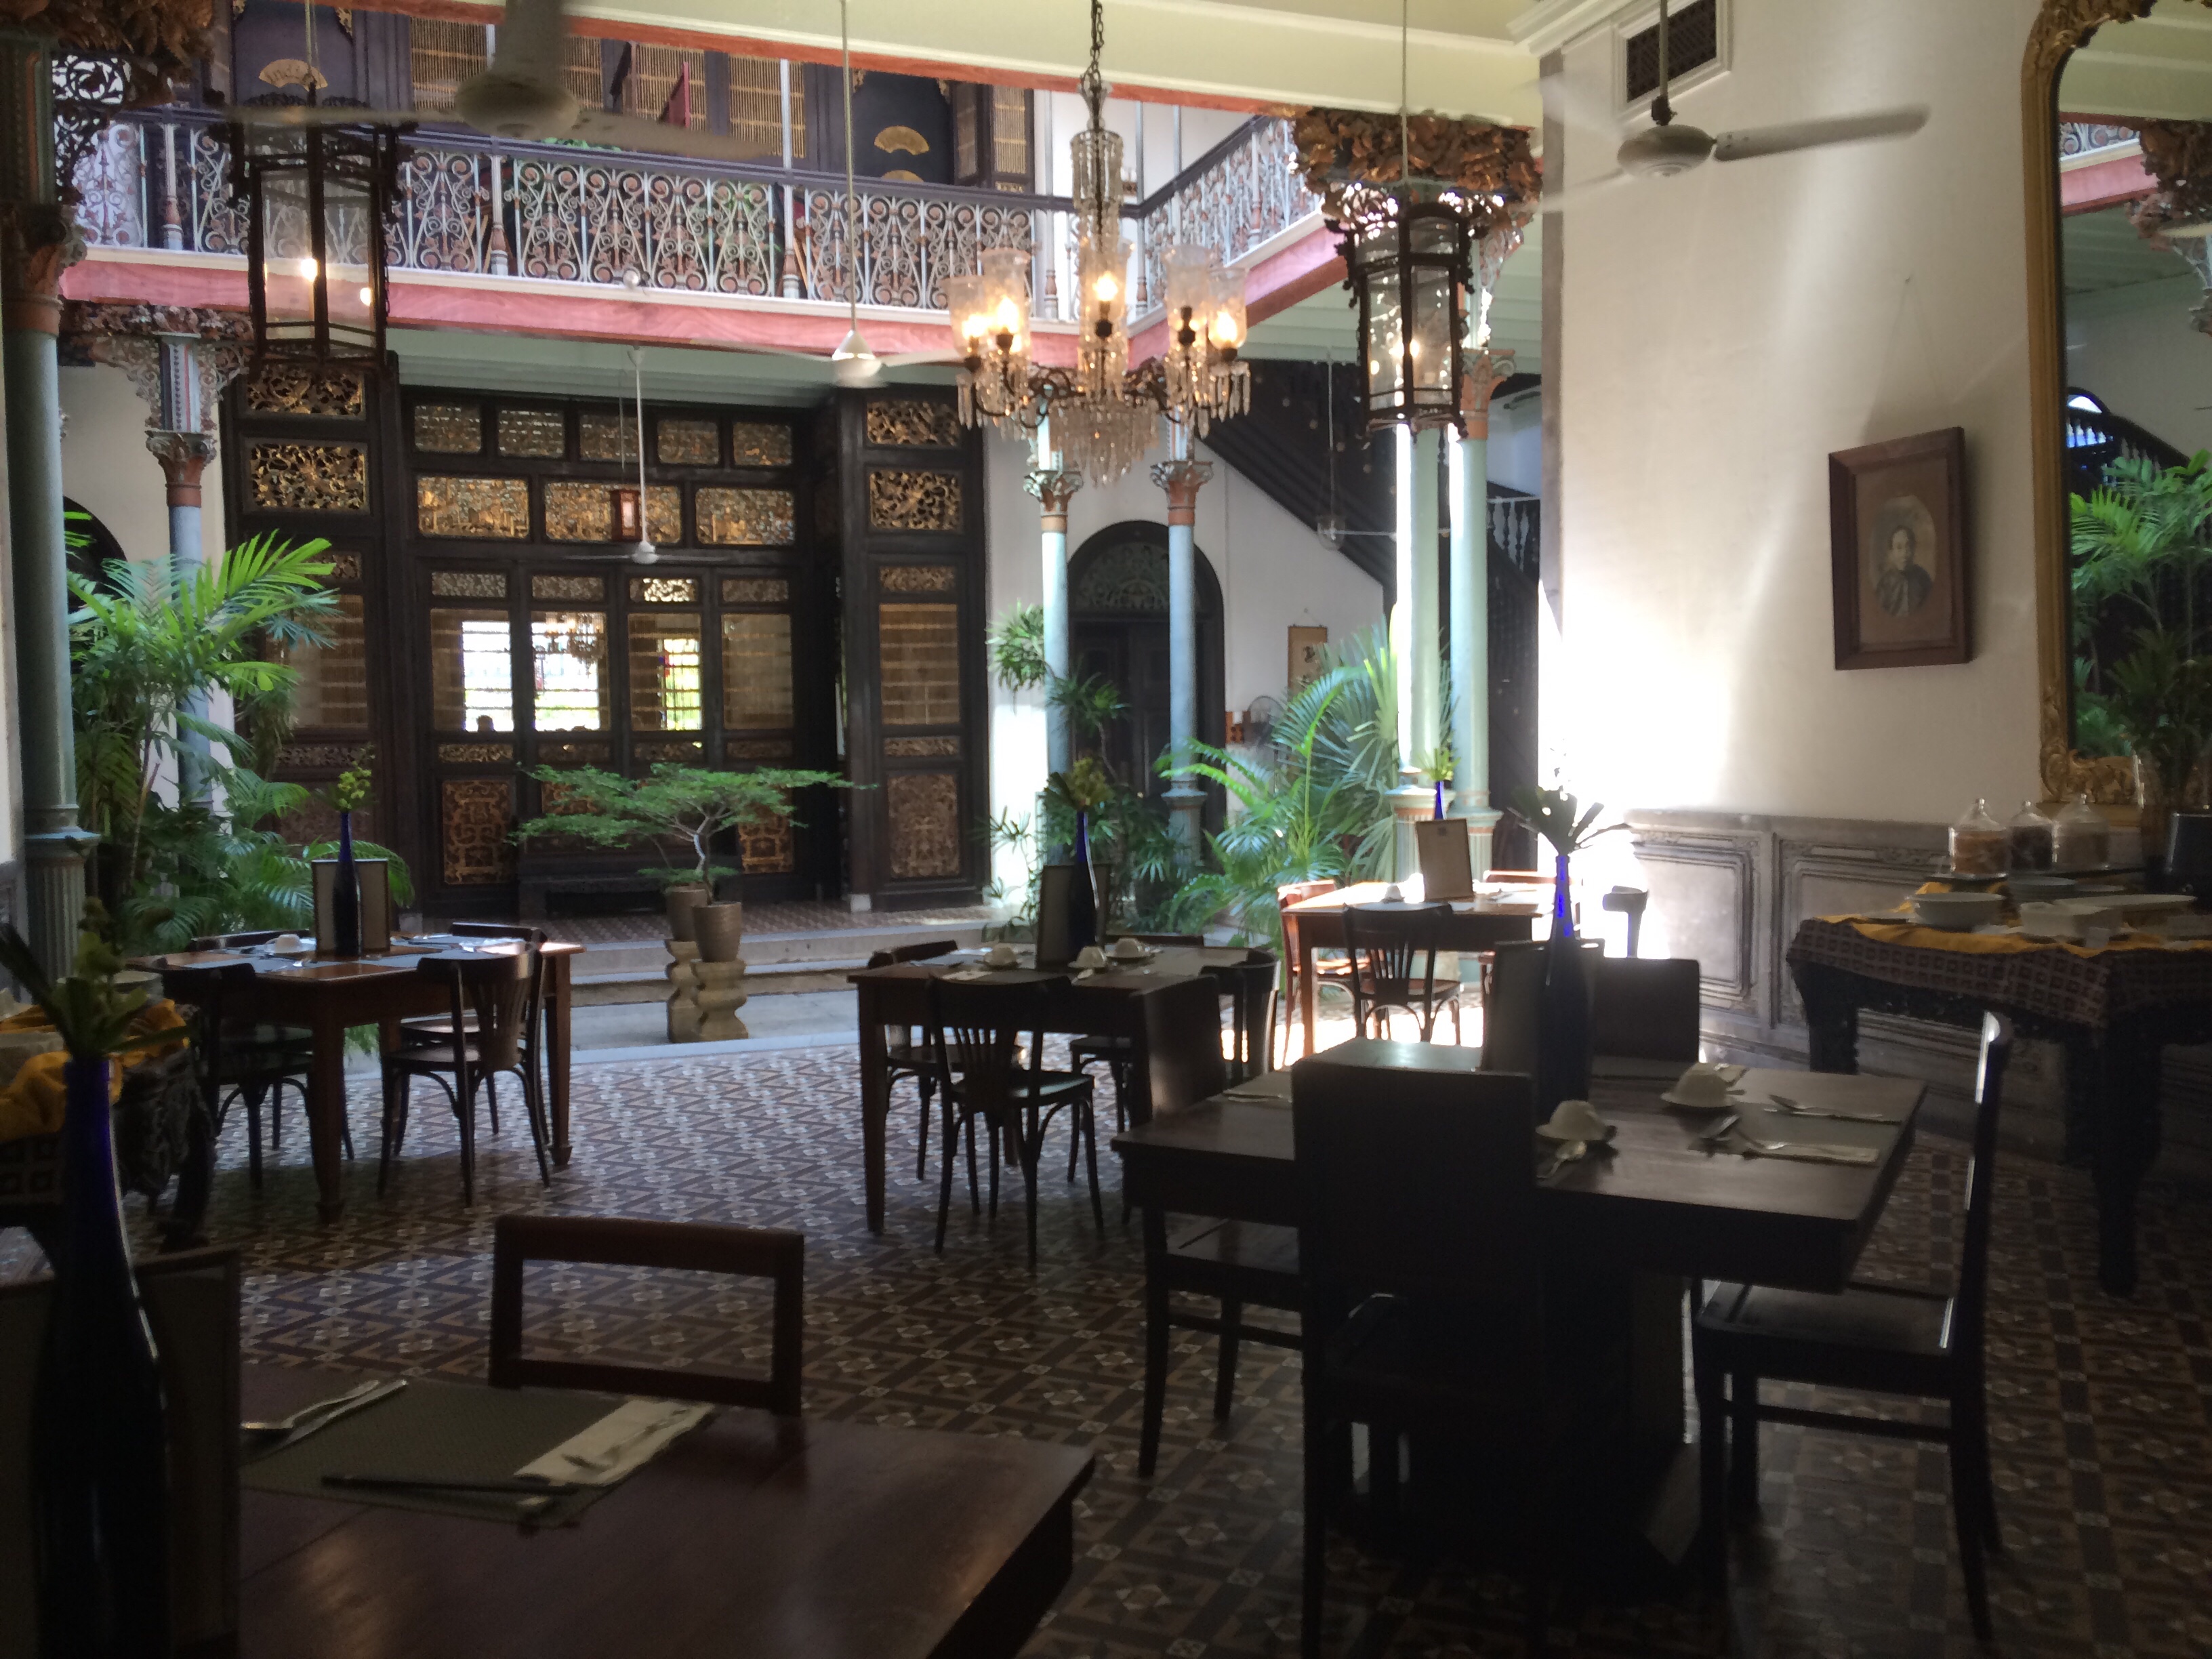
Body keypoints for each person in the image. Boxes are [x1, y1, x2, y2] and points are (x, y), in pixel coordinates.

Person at [1875, 520, 1933, 617]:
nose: (1904, 554)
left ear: (1914, 549)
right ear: (1892, 552)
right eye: (1899, 547)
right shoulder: (1885, 584)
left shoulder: (1923, 579)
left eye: (1908, 547)